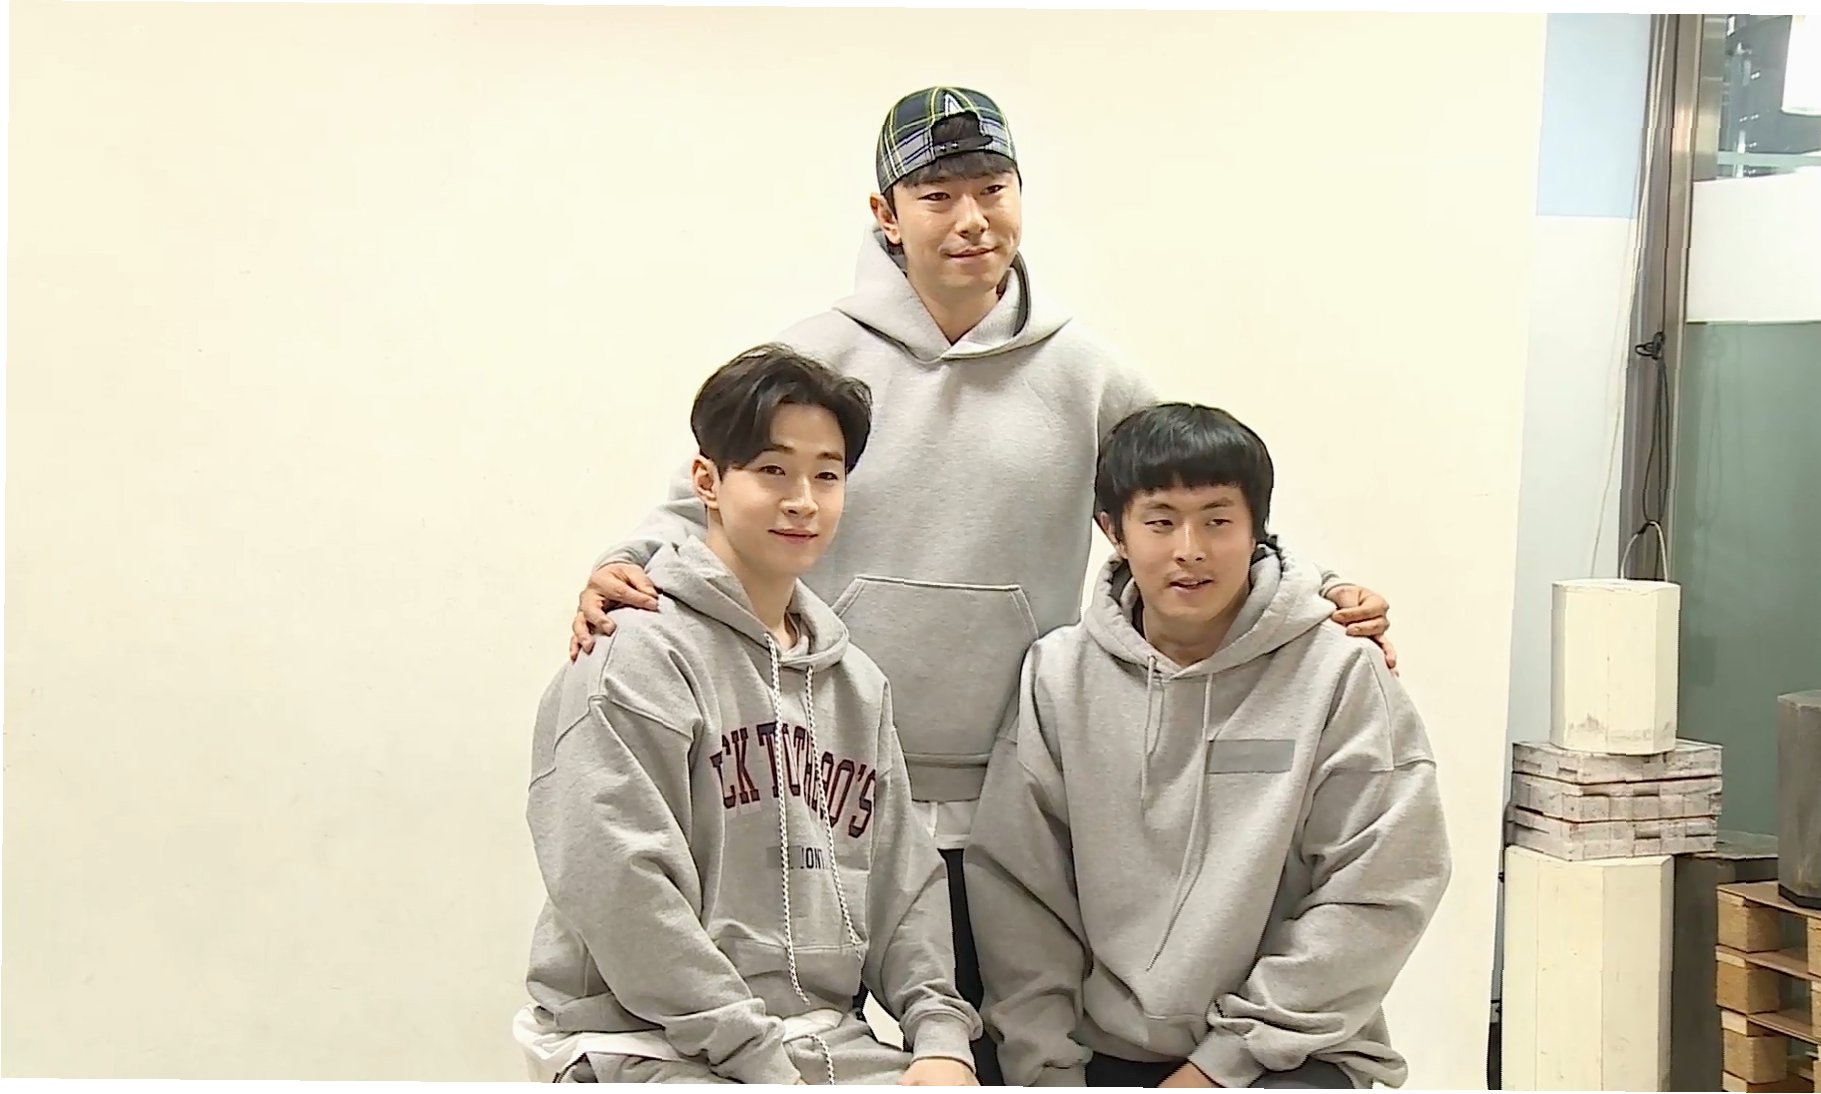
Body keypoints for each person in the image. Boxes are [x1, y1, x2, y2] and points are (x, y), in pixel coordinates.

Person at [566, 88, 1396, 1083]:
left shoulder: (1087, 371)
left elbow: (1186, 494)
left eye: (993, 191)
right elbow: (703, 505)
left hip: (1016, 799)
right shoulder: (815, 358)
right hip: (829, 781)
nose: (971, 220)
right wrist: (620, 566)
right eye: (937, 196)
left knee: (997, 1049)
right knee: (822, 1037)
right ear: (886, 214)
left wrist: (1315, 588)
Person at [515, 345, 980, 1085]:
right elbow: (619, 886)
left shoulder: (857, 685)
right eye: (772, 470)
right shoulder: (635, 654)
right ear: (707, 481)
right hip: (647, 1044)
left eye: (827, 475)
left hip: (828, 1049)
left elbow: (905, 881)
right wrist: (758, 1059)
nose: (803, 501)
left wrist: (940, 1037)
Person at [965, 404, 1450, 1090]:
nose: (1189, 549)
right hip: (1098, 1053)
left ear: (1256, 531)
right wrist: (1046, 1068)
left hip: (1287, 1051)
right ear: (1113, 532)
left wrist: (1219, 1067)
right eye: (1160, 522)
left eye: (1218, 521)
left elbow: (1383, 885)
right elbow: (1020, 890)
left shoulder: (1338, 670)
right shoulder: (1058, 675)